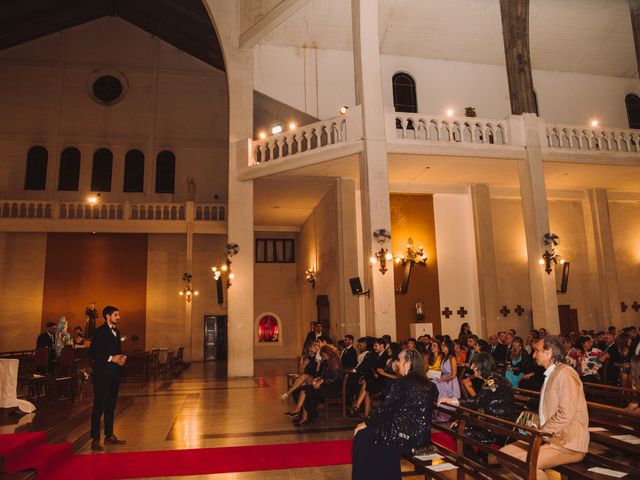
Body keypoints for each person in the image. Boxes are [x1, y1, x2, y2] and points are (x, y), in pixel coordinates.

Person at [501, 335, 589, 480]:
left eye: (537, 350)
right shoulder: (552, 373)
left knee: (525, 464)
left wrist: (541, 431)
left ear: (549, 352)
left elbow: (566, 413)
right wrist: (538, 425)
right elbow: (549, 409)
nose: (534, 354)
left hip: (567, 443)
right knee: (504, 456)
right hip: (549, 437)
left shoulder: (566, 373)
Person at [352, 349, 438, 480]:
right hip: (421, 437)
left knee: (362, 437)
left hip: (404, 437)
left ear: (408, 364)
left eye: (399, 360)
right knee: (372, 437)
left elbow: (387, 409)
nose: (397, 363)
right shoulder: (430, 385)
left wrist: (366, 423)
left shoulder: (403, 383)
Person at [439, 352, 516, 462]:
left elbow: (477, 401)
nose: (471, 367)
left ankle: (477, 465)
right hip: (494, 422)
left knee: (458, 432)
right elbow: (481, 401)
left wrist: (450, 400)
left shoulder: (493, 381)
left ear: (482, 366)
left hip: (499, 426)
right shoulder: (494, 379)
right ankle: (480, 462)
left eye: (474, 365)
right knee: (458, 426)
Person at [89, 306, 127, 451]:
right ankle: (95, 439)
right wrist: (111, 358)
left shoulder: (116, 332)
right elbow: (93, 353)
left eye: (118, 314)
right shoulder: (99, 332)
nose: (118, 317)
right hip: (102, 375)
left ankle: (109, 435)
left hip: (114, 374)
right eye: (116, 315)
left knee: (111, 406)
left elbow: (117, 352)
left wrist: (122, 358)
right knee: (99, 407)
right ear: (107, 316)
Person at [292, 345, 343, 426]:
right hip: (325, 386)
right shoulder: (329, 361)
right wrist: (319, 379)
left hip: (332, 389)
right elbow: (324, 375)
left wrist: (322, 381)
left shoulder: (336, 361)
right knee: (298, 391)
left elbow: (335, 378)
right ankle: (303, 414)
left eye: (323, 355)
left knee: (306, 391)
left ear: (327, 353)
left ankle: (304, 416)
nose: (323, 357)